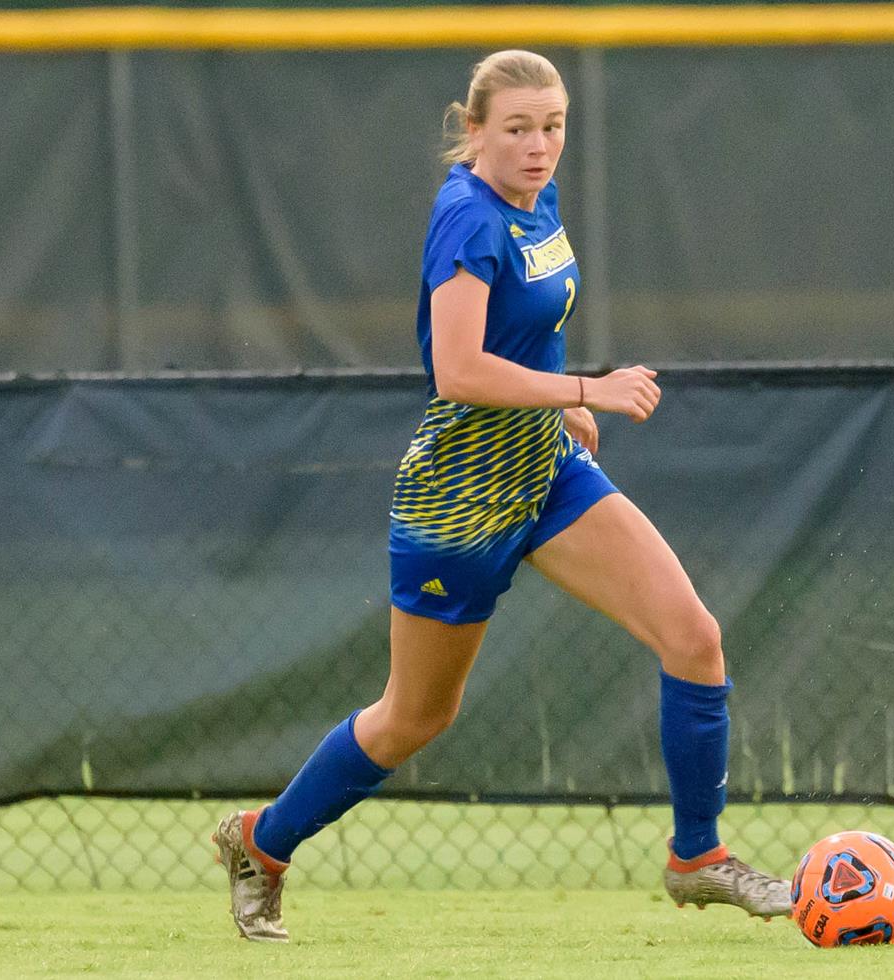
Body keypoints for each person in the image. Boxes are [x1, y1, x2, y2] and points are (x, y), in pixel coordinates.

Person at [209, 49, 790, 942]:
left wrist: (558, 417)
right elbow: (460, 369)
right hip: (459, 506)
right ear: (472, 128)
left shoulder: (536, 201)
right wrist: (585, 392)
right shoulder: (468, 220)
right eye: (517, 128)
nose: (539, 144)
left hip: (545, 475)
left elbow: (528, 338)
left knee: (695, 637)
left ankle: (697, 859)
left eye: (553, 126)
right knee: (414, 717)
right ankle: (262, 842)